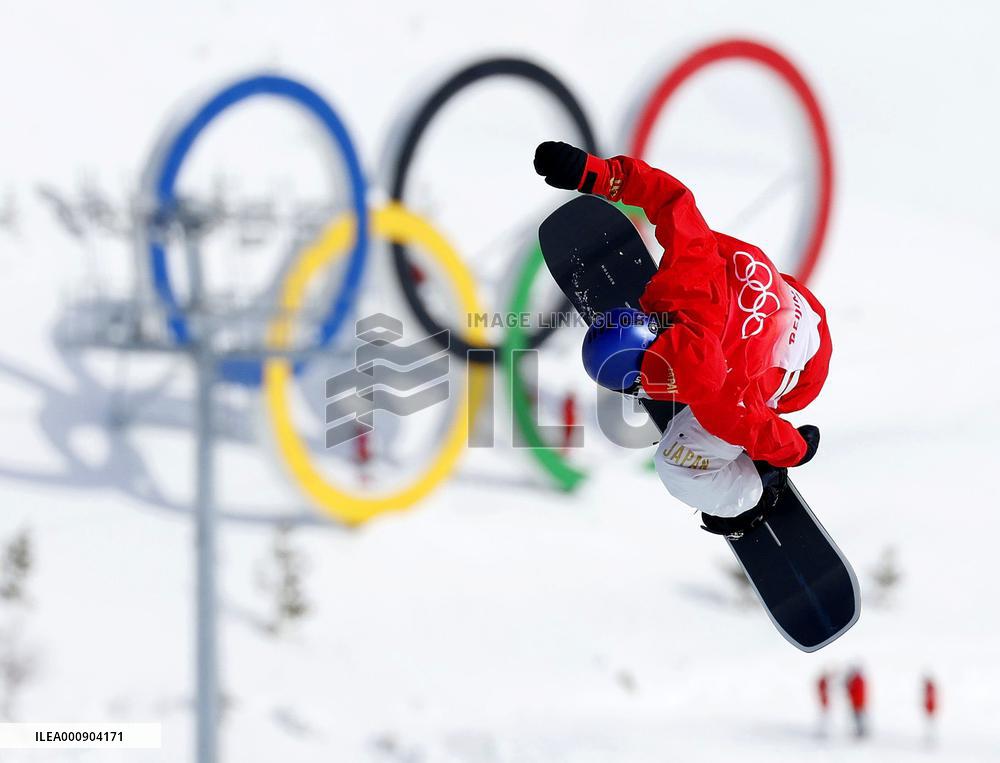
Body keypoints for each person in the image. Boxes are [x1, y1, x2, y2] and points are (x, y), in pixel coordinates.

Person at [533, 141, 831, 535]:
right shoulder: (691, 268)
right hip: (805, 310)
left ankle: (750, 495)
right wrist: (594, 173)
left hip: (798, 380)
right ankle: (727, 448)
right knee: (729, 381)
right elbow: (670, 197)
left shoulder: (723, 402)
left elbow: (764, 433)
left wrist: (797, 449)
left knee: (674, 467)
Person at [845, 667, 868, 738]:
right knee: (858, 718)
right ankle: (860, 731)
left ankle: (860, 732)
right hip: (858, 703)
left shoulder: (857, 680)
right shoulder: (858, 680)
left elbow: (854, 691)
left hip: (857, 703)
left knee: (858, 719)